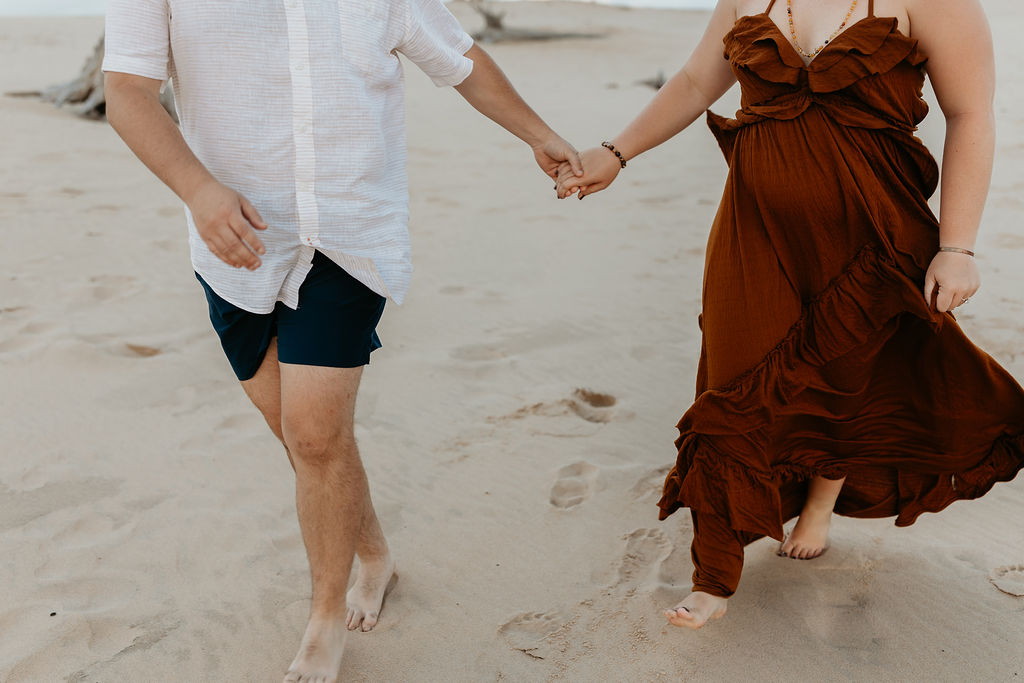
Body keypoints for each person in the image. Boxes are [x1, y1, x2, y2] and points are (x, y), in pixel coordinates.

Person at [102, 1, 581, 680]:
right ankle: (376, 554)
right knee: (297, 429)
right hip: (234, 240)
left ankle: (325, 617)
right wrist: (198, 190)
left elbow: (461, 59)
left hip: (350, 232)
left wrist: (539, 134)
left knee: (317, 433)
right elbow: (126, 90)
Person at [556, 0, 1024, 629]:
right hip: (756, 226)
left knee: (850, 371)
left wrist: (957, 247)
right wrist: (616, 151)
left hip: (875, 230)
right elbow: (698, 80)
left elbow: (970, 116)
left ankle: (821, 495)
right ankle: (715, 573)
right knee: (734, 379)